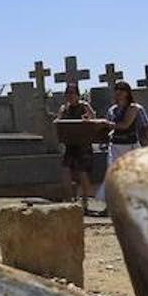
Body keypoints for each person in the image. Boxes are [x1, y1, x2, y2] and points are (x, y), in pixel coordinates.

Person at [100, 82, 148, 205]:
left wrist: (147, 142)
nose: (119, 92)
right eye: (117, 89)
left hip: (130, 146)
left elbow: (132, 125)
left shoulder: (135, 108)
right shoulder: (112, 110)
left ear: (128, 92)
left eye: (122, 90)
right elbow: (108, 127)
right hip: (115, 146)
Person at [54, 83, 97, 211]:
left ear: (77, 94)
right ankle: (69, 200)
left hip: (83, 146)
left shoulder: (84, 106)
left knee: (82, 173)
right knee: (65, 171)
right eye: (68, 93)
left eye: (73, 93)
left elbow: (93, 118)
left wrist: (87, 118)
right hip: (70, 145)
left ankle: (84, 200)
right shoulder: (64, 108)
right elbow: (58, 121)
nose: (70, 96)